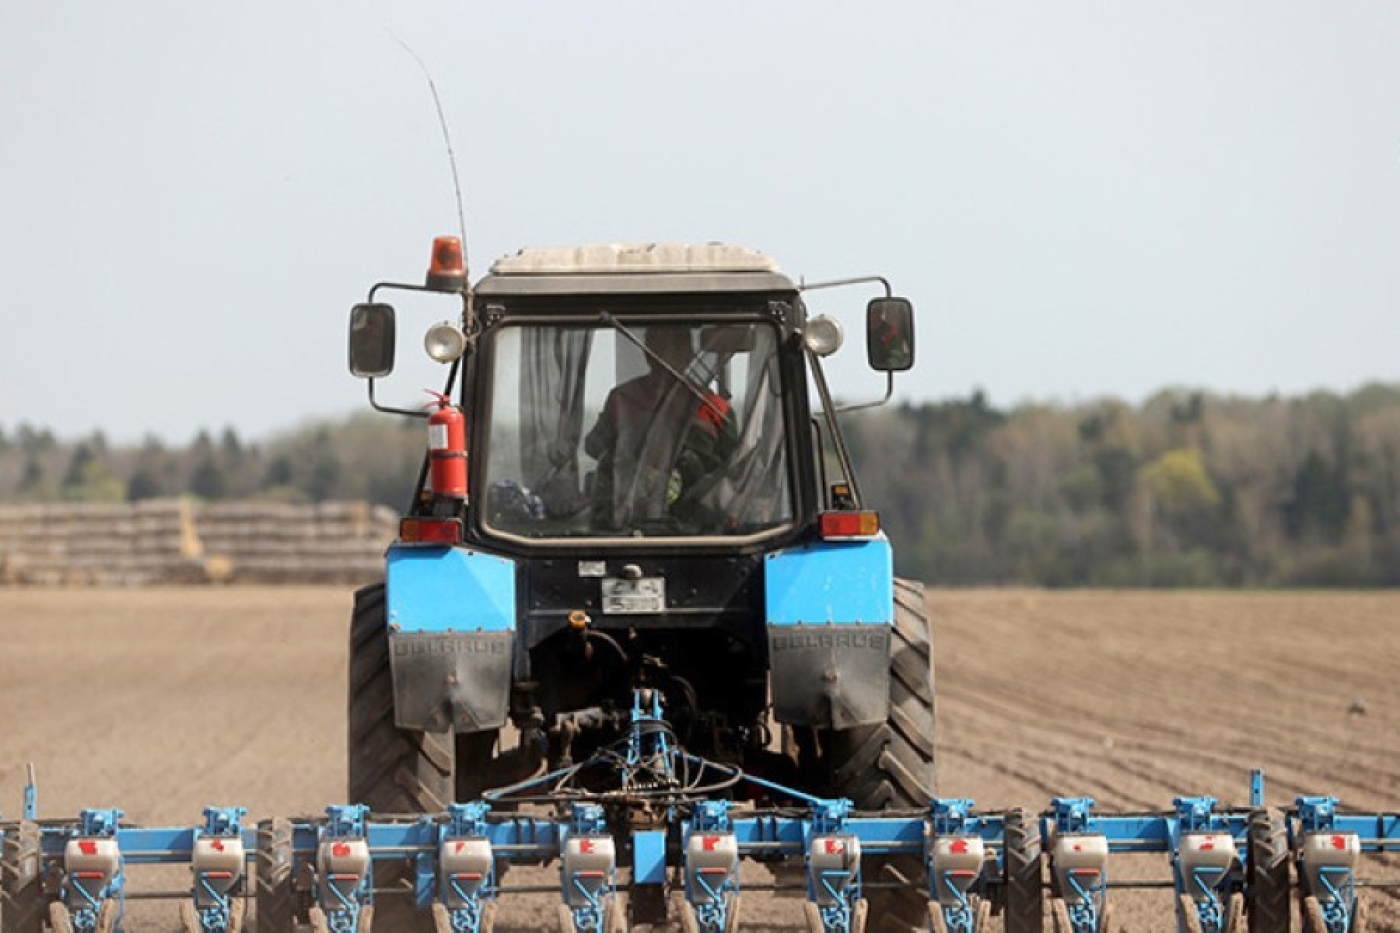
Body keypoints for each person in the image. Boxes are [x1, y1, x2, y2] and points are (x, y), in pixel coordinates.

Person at [584, 327, 738, 529]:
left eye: (675, 348)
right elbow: (596, 448)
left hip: (696, 526)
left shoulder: (715, 408)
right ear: (648, 353)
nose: (668, 356)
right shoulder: (621, 400)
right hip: (627, 520)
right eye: (661, 349)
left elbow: (734, 466)